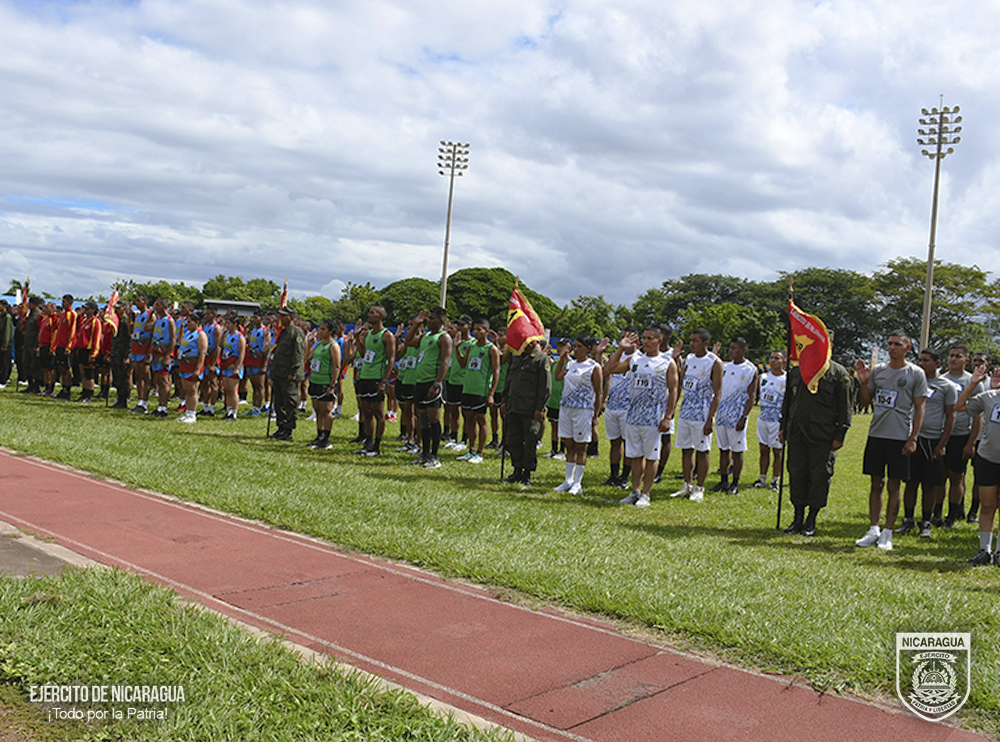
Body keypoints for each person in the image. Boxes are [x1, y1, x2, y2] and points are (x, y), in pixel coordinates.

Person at [854, 330, 927, 551]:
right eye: (889, 344)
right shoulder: (880, 372)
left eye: (897, 344)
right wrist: (864, 382)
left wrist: (913, 438)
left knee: (894, 485)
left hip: (900, 436)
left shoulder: (915, 373)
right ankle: (873, 528)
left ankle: (888, 532)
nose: (892, 347)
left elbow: (920, 407)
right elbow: (866, 402)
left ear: (908, 348)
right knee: (876, 483)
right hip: (877, 434)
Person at [605, 327, 678, 508]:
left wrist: (668, 416)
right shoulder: (635, 359)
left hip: (653, 418)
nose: (646, 342)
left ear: (659, 341)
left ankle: (646, 494)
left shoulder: (667, 362)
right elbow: (610, 368)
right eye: (644, 338)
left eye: (650, 338)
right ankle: (635, 491)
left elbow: (673, 390)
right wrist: (621, 348)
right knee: (635, 456)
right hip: (633, 417)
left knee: (651, 457)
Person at [896, 348, 956, 538]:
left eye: (926, 360)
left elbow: (950, 417)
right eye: (920, 360)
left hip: (932, 440)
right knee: (910, 482)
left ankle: (926, 522)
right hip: (912, 438)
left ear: (937, 363)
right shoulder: (913, 381)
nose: (921, 363)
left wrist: (942, 444)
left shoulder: (946, 386)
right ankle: (908, 520)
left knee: (930, 484)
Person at [954, 362, 1000, 566]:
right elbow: (960, 406)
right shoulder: (989, 397)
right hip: (988, 458)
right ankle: (985, 550)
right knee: (988, 505)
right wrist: (972, 384)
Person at [671, 328, 723, 502]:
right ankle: (688, 485)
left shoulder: (714, 362)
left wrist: (710, 418)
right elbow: (680, 383)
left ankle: (700, 487)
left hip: (702, 413)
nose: (692, 343)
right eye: (691, 340)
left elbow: (717, 392)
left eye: (695, 340)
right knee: (686, 450)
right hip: (686, 412)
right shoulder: (690, 359)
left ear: (705, 343)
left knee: (702, 451)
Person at [551, 336, 603, 495]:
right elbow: (558, 377)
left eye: (579, 346)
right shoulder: (570, 364)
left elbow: (598, 392)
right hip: (566, 408)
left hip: (583, 410)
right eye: (574, 346)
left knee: (581, 447)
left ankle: (577, 483)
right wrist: (562, 359)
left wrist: (595, 414)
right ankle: (568, 480)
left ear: (588, 348)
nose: (575, 349)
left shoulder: (594, 367)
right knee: (569, 445)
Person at [940, 346, 984, 527]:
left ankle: (952, 515)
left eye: (958, 356)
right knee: (939, 477)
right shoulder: (941, 379)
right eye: (951, 356)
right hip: (941, 435)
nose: (953, 359)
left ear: (966, 360)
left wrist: (971, 443)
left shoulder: (973, 382)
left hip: (961, 435)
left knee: (956, 476)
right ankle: (937, 513)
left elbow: (978, 416)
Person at [405, 308, 452, 468]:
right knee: (422, 419)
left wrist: (437, 383)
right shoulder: (425, 336)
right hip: (420, 382)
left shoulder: (444, 338)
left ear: (440, 321)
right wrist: (416, 323)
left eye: (432, 318)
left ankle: (435, 456)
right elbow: (408, 340)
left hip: (433, 383)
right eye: (428, 318)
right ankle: (424, 454)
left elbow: (445, 361)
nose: (428, 321)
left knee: (434, 420)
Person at [711, 338, 758, 494]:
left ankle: (735, 483)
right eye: (730, 348)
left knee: (737, 451)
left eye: (734, 348)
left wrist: (744, 417)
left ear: (743, 350)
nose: (731, 351)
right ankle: (723, 481)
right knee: (723, 449)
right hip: (722, 414)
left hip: (737, 415)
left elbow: (752, 396)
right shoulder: (724, 367)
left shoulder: (750, 369)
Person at [501, 338, 551, 485]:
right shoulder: (516, 356)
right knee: (514, 438)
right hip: (513, 405)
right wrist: (504, 400)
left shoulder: (542, 359)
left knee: (530, 440)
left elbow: (545, 387)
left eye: (529, 340)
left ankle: (527, 473)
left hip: (530, 408)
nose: (526, 343)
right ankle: (516, 469)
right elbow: (508, 380)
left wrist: (540, 408)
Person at [350, 306, 396, 457]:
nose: (369, 315)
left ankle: (377, 446)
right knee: (366, 411)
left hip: (377, 378)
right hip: (365, 377)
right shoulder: (369, 334)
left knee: (378, 412)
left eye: (373, 312)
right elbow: (364, 354)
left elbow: (391, 360)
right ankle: (368, 443)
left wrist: (384, 381)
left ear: (381, 316)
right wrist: (358, 338)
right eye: (369, 312)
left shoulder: (387, 335)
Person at [457, 318, 501, 464]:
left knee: (481, 421)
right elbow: (463, 364)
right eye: (475, 329)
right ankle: (471, 450)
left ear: (487, 331)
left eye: (480, 329)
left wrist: (491, 394)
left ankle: (480, 453)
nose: (476, 332)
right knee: (469, 420)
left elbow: (496, 372)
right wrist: (457, 348)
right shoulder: (471, 346)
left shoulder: (491, 349)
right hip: (468, 388)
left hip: (481, 391)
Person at [602, 330, 637, 487]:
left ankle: (624, 477)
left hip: (628, 407)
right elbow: (606, 373)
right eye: (624, 336)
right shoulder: (616, 356)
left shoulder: (638, 359)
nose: (626, 340)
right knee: (614, 443)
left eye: (630, 337)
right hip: (612, 406)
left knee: (628, 444)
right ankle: (613, 475)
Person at [268, 308, 306, 441]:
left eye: (283, 316)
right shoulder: (283, 332)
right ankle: (281, 427)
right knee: (279, 402)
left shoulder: (296, 332)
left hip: (289, 374)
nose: (280, 319)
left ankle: (289, 429)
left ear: (290, 317)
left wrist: (293, 372)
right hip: (279, 372)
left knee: (290, 401)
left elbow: (298, 355)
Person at [304, 319, 342, 450]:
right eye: (319, 329)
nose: (319, 331)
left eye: (323, 329)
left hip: (326, 383)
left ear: (330, 331)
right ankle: (319, 436)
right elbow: (307, 357)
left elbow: (337, 367)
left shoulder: (333, 346)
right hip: (315, 380)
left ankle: (326, 438)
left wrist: (332, 386)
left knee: (326, 411)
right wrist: (310, 344)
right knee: (318, 410)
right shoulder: (318, 344)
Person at [753, 350, 787, 491]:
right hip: (763, 419)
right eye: (771, 358)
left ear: (784, 361)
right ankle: (762, 478)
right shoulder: (763, 377)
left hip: (777, 421)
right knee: (763, 450)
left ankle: (775, 480)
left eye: (777, 358)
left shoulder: (787, 380)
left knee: (778, 452)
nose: (773, 360)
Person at [175, 313, 208, 423]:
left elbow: (202, 353)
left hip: (193, 366)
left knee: (193, 390)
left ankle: (192, 414)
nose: (187, 324)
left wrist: (198, 369)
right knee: (186, 390)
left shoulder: (200, 335)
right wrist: (181, 328)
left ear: (196, 323)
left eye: (189, 322)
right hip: (184, 365)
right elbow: (179, 341)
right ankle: (187, 412)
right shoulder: (188, 333)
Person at [148, 298, 176, 417]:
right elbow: (146, 327)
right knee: (158, 381)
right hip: (155, 354)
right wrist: (151, 313)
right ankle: (160, 406)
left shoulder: (170, 320)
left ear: (164, 306)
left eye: (158, 305)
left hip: (163, 354)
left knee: (164, 381)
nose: (156, 307)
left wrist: (168, 356)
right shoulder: (157, 320)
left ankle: (164, 407)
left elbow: (173, 339)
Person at [243, 310, 271, 417]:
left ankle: (258, 408)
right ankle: (254, 407)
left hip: (259, 362)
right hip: (251, 360)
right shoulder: (254, 330)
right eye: (253, 318)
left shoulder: (265, 331)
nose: (254, 320)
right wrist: (246, 328)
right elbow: (247, 340)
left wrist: (264, 365)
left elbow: (266, 349)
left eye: (256, 318)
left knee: (260, 386)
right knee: (254, 386)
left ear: (261, 318)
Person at [218, 313, 246, 421]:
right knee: (227, 390)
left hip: (233, 365)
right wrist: (223, 333)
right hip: (226, 365)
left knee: (233, 390)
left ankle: (234, 412)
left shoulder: (240, 337)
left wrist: (237, 367)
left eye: (229, 323)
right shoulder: (228, 336)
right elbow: (220, 345)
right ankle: (228, 410)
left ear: (235, 324)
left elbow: (242, 353)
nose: (227, 325)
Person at [73, 302, 102, 403]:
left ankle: (89, 394)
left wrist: (93, 353)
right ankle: (84, 392)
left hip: (89, 350)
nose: (85, 310)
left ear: (93, 310)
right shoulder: (85, 321)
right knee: (83, 373)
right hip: (81, 350)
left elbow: (96, 338)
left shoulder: (95, 321)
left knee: (89, 373)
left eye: (87, 309)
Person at [129, 293, 153, 414]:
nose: (137, 303)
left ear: (145, 302)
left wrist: (149, 353)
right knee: (138, 376)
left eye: (139, 301)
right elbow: (131, 331)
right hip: (136, 348)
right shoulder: (138, 316)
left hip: (145, 349)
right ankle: (139, 401)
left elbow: (153, 335)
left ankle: (144, 402)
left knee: (145, 376)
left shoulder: (150, 315)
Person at [198, 308, 224, 416]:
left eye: (208, 314)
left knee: (213, 383)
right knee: (204, 383)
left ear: (214, 315)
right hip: (206, 356)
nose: (206, 316)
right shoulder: (205, 326)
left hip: (213, 357)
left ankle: (212, 408)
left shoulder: (216, 328)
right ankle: (205, 406)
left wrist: (214, 362)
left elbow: (218, 346)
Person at [52, 295, 78, 400]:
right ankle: (63, 388)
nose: (62, 304)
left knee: (67, 369)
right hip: (60, 345)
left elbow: (72, 331)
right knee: (61, 368)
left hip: (66, 346)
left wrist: (69, 346)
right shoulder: (63, 314)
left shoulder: (72, 314)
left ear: (70, 303)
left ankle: (67, 390)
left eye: (64, 302)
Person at [110, 301, 132, 408]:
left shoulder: (126, 321)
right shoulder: (116, 321)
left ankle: (123, 400)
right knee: (117, 376)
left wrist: (127, 356)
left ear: (124, 308)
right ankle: (119, 399)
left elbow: (129, 340)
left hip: (123, 353)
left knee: (123, 378)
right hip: (116, 353)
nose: (116, 310)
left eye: (118, 308)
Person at [19, 297, 43, 394]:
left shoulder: (38, 315)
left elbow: (39, 331)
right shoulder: (29, 315)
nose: (29, 305)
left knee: (35, 366)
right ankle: (30, 384)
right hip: (27, 344)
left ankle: (36, 385)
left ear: (36, 305)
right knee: (25, 364)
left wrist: (38, 345)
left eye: (31, 303)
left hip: (34, 344)